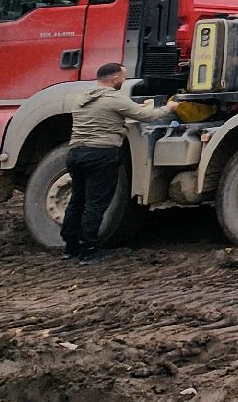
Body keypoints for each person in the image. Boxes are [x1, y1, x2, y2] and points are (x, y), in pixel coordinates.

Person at [63, 62, 177, 262]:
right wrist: (169, 107)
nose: (124, 81)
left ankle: (70, 248)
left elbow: (111, 112)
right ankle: (88, 250)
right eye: (123, 77)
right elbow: (147, 116)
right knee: (95, 204)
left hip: (75, 153)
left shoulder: (83, 97)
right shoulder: (114, 99)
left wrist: (137, 107)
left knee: (77, 201)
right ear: (115, 79)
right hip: (101, 154)